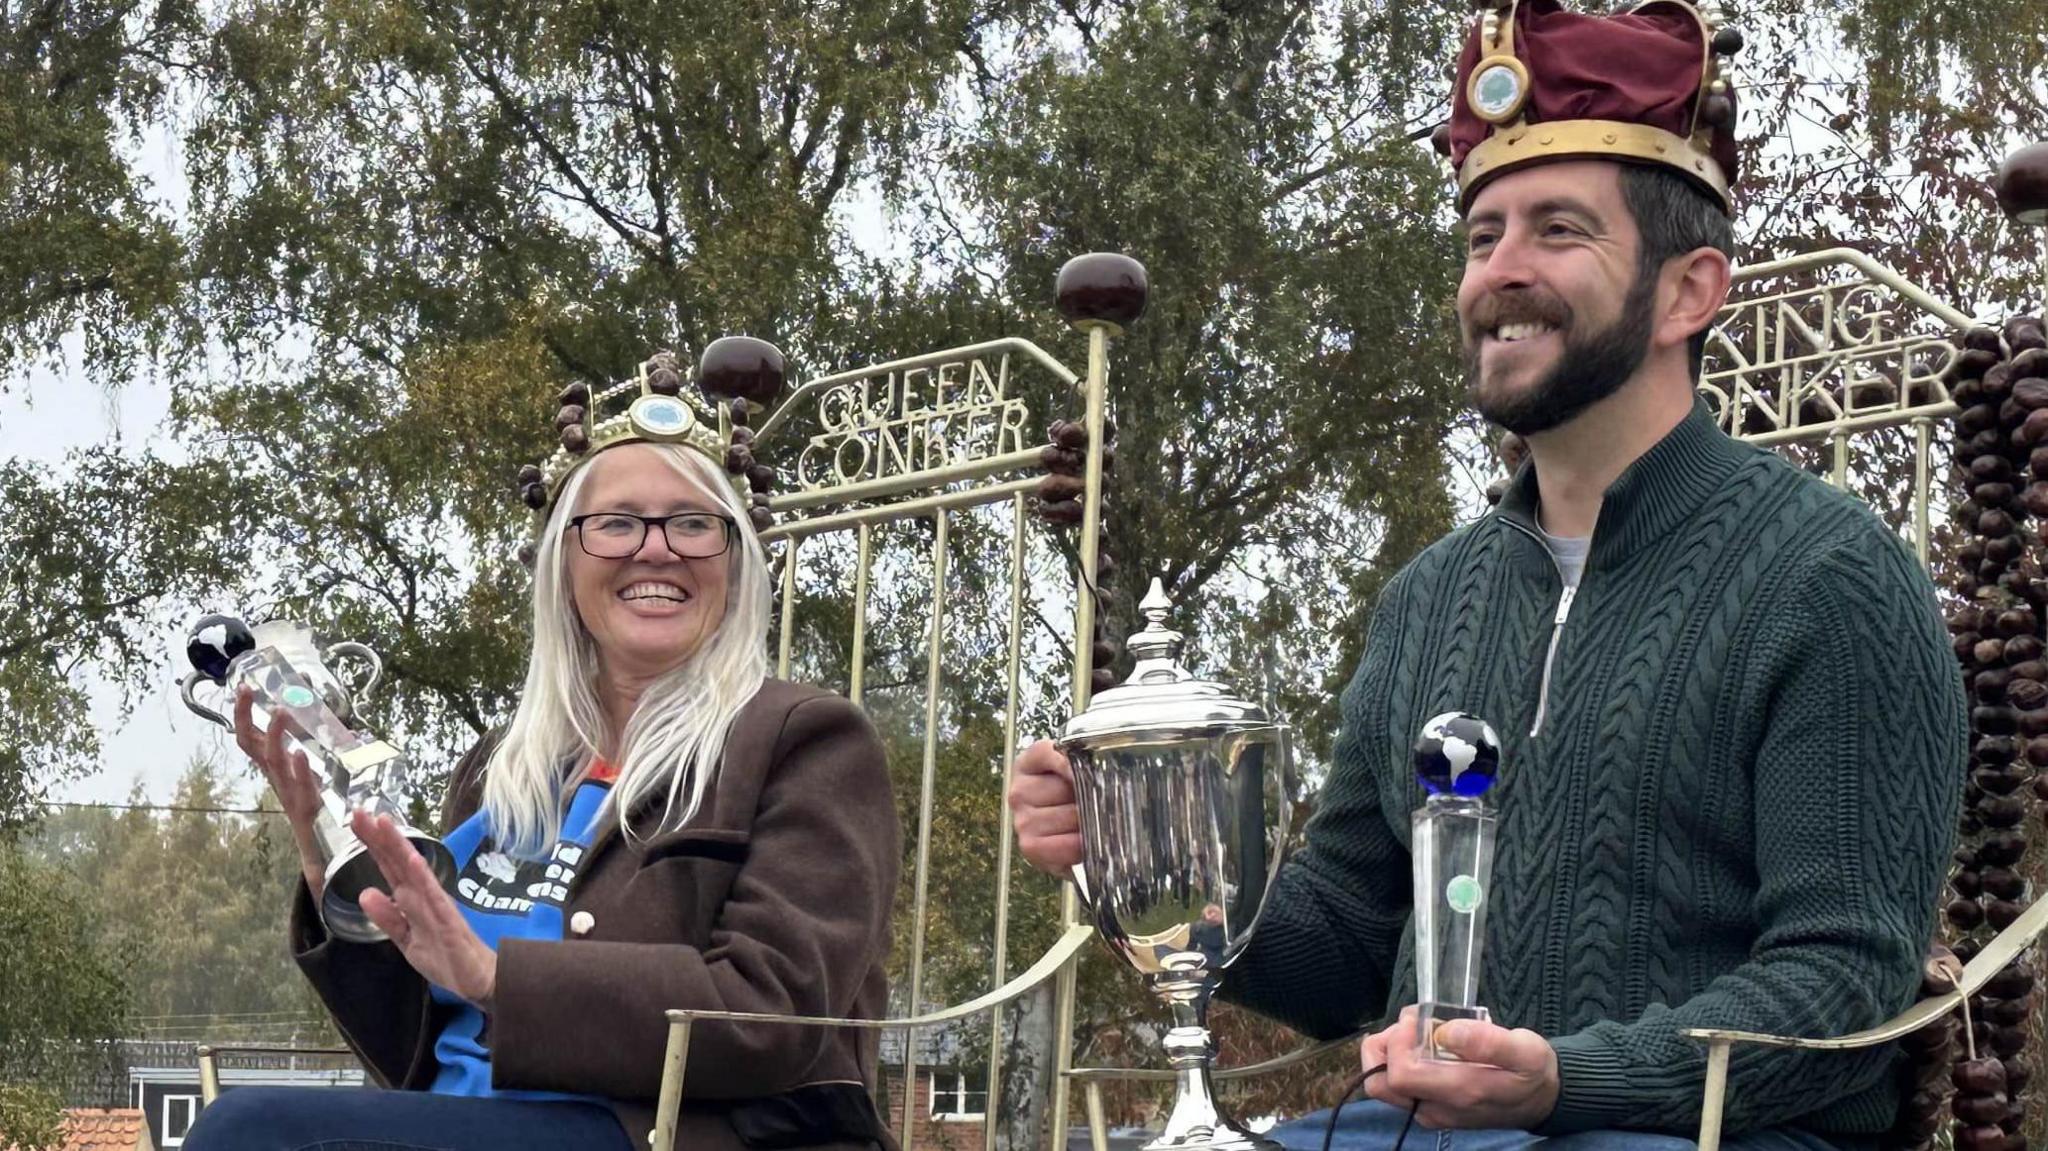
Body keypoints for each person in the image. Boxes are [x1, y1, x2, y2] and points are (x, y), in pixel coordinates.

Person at [1008, 3, 1965, 1149]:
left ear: (1685, 290)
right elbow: (1352, 941)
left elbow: (1842, 973)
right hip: (1409, 1132)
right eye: (1479, 236)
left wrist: (1567, 1077)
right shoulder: (1428, 598)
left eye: (1556, 231)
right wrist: (1143, 852)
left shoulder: (1830, 575)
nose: (1497, 272)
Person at [185, 359, 901, 1151]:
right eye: (617, 522)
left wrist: (498, 979)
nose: (655, 549)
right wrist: (327, 849)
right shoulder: (505, 767)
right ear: (565, 562)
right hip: (472, 1124)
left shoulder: (802, 740)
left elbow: (773, 1011)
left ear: (735, 561)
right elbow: (413, 1051)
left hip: (666, 1132)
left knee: (255, 1130)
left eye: (693, 523)